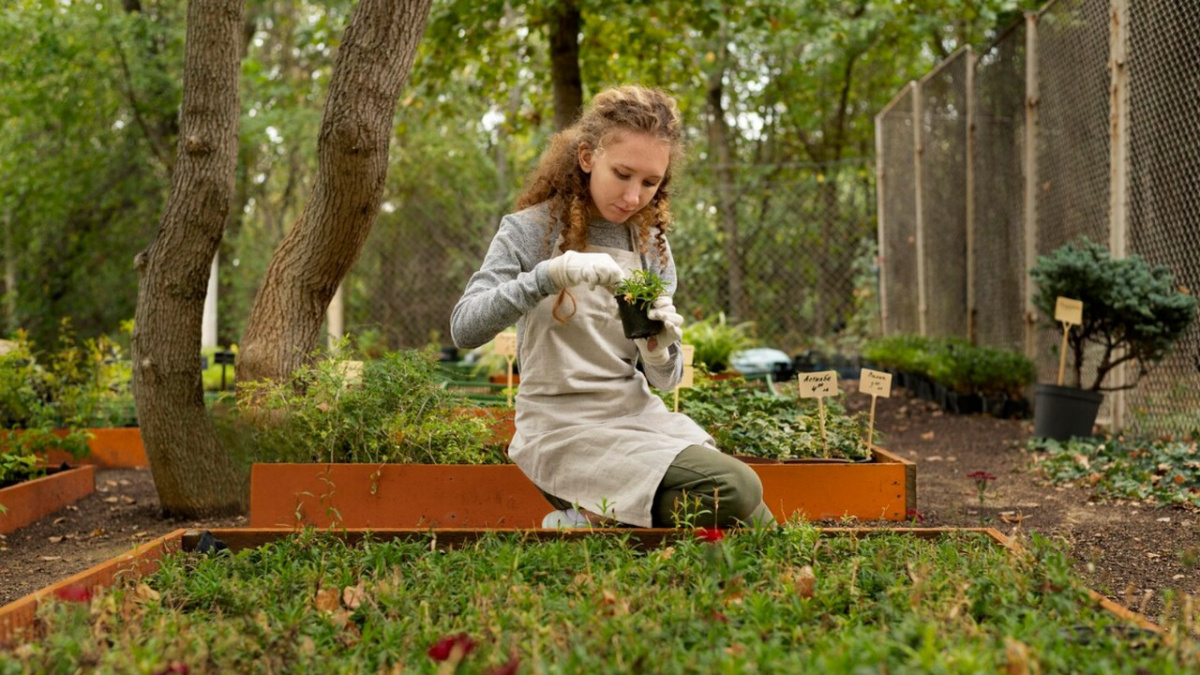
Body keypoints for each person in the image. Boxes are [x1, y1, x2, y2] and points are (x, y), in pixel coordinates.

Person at [451, 85, 774, 529]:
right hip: (562, 429)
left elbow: (665, 381)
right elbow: (464, 328)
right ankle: (600, 515)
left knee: (756, 519)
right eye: (622, 174)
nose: (634, 195)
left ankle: (597, 521)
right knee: (737, 490)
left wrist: (660, 348)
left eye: (650, 182)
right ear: (587, 157)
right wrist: (547, 276)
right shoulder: (529, 231)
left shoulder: (651, 247)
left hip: (633, 417)